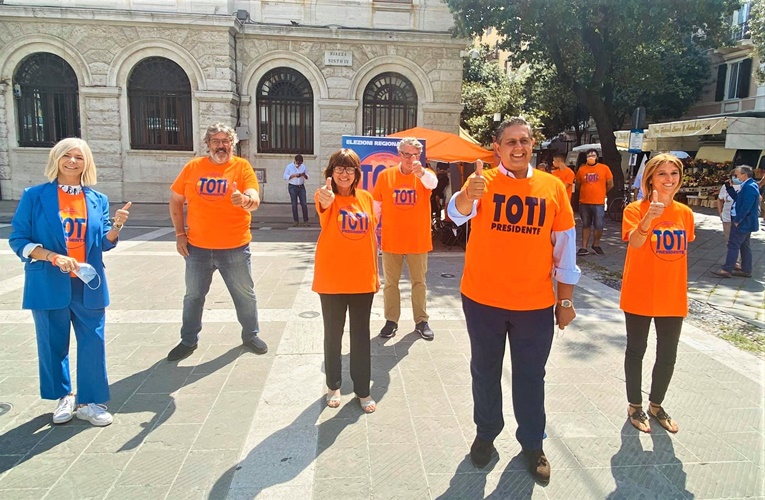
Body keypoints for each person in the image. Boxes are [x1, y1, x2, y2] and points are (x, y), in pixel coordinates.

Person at [447, 117, 580, 484]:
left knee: (530, 376)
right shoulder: (482, 182)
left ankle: (532, 443)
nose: (518, 147)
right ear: (497, 147)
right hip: (483, 299)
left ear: (532, 144)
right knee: (484, 370)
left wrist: (564, 301)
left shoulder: (553, 188)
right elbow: (454, 215)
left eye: (524, 140)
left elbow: (566, 249)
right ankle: (486, 434)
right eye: (510, 142)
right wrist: (466, 195)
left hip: (534, 304)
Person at [9, 138, 131, 427]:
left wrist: (117, 226)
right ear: (56, 159)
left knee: (93, 343)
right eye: (67, 156)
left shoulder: (96, 199)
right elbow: (19, 239)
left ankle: (90, 402)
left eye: (79, 157)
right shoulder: (34, 196)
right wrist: (52, 256)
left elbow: (102, 244)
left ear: (86, 162)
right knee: (53, 343)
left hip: (88, 284)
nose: (72, 161)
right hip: (49, 282)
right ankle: (64, 396)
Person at [167, 123, 267, 361]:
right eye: (216, 141)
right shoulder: (193, 167)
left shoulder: (242, 167)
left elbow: (254, 198)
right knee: (193, 296)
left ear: (232, 144)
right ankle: (188, 339)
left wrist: (244, 199)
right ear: (208, 144)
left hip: (235, 247)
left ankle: (250, 335)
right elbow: (175, 200)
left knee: (245, 294)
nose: (221, 146)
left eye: (226, 141)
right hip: (197, 247)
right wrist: (180, 234)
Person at [620, 154, 695, 434]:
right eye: (662, 173)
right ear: (650, 178)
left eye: (673, 173)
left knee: (668, 354)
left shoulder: (685, 214)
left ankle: (656, 404)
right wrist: (649, 217)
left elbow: (679, 253)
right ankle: (634, 406)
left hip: (672, 296)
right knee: (636, 350)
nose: (668, 179)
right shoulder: (635, 210)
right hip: (640, 291)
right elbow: (637, 243)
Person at [313, 149, 379, 413]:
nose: (344, 173)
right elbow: (323, 204)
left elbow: (372, 240)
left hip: (362, 280)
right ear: (331, 172)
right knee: (333, 335)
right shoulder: (324, 196)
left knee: (361, 337)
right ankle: (333, 385)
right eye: (339, 168)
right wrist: (326, 197)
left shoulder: (366, 198)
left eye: (349, 169)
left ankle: (363, 391)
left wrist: (376, 276)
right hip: (332, 281)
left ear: (356, 174)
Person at [373, 137, 438, 341]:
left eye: (415, 155)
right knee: (390, 283)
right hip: (391, 239)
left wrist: (421, 173)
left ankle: (421, 321)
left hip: (417, 241)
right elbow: (377, 205)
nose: (411, 158)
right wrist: (370, 231)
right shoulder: (385, 176)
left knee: (419, 282)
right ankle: (391, 320)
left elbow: (433, 184)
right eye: (407, 154)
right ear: (399, 155)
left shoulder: (425, 175)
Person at [713, 165, 760, 278]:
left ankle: (727, 269)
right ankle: (746, 270)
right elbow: (738, 199)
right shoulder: (748, 185)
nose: (735, 177)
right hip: (745, 221)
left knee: (733, 244)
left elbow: (746, 206)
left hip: (743, 222)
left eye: (737, 175)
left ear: (744, 175)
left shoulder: (749, 187)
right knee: (744, 246)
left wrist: (738, 220)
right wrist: (729, 188)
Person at [575, 148, 613, 256]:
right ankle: (583, 247)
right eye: (589, 156)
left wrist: (602, 192)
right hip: (584, 202)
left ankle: (596, 244)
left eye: (593, 155)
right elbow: (578, 184)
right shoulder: (582, 169)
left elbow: (610, 184)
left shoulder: (604, 168)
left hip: (598, 202)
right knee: (586, 224)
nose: (591, 157)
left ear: (597, 157)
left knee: (599, 225)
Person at [283, 154, 310, 227]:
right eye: (298, 163)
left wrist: (303, 175)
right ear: (295, 161)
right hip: (292, 186)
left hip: (301, 186)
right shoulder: (289, 166)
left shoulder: (303, 167)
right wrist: (294, 175)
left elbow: (307, 176)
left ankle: (306, 220)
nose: (299, 165)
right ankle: (296, 221)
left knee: (304, 204)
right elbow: (285, 176)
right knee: (294, 204)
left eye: (300, 163)